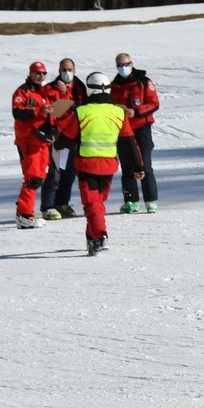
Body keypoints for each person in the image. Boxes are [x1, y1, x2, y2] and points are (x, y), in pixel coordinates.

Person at [52, 72, 145, 255]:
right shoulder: (118, 112)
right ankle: (92, 239)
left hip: (87, 166)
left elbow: (66, 140)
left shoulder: (82, 112)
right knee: (97, 205)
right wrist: (138, 166)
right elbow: (129, 142)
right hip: (108, 167)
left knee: (92, 205)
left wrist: (56, 142)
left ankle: (100, 236)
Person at [110, 51, 161, 213]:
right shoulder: (115, 85)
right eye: (119, 65)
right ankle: (131, 201)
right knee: (127, 165)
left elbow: (154, 103)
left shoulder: (143, 82)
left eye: (125, 64)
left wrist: (136, 112)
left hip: (141, 128)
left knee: (145, 164)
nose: (123, 68)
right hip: (124, 130)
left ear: (132, 64)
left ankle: (151, 200)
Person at [10, 61, 56, 229]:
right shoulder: (23, 91)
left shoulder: (43, 93)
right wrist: (39, 111)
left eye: (43, 73)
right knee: (33, 178)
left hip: (41, 141)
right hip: (28, 140)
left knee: (39, 178)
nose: (41, 76)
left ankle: (24, 212)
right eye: (37, 73)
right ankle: (24, 214)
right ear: (30, 73)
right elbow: (17, 111)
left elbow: (50, 115)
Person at [40, 59, 80, 220]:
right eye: (63, 69)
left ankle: (62, 203)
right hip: (56, 137)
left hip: (73, 137)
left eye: (69, 69)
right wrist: (63, 97)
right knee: (55, 172)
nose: (66, 72)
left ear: (74, 69)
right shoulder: (51, 88)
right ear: (58, 70)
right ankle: (48, 206)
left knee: (69, 173)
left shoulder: (80, 87)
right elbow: (48, 111)